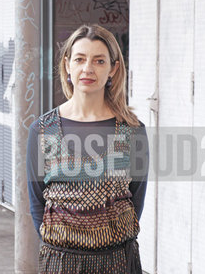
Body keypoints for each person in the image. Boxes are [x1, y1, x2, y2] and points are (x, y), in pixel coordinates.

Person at [26, 24, 149, 274]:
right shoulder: (42, 130)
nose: (88, 69)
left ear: (113, 68)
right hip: (60, 262)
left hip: (117, 261)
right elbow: (37, 202)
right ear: (67, 65)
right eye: (80, 59)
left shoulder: (132, 130)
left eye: (99, 61)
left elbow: (136, 199)